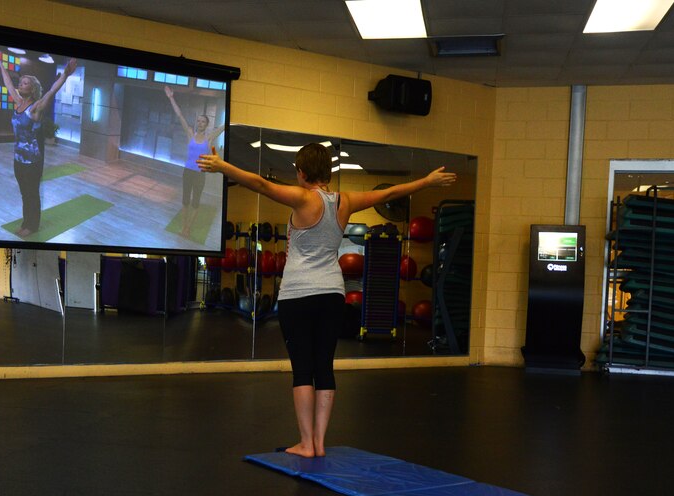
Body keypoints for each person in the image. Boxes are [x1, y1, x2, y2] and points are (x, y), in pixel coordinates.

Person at [197, 143, 456, 457]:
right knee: (324, 367)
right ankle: (319, 443)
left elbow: (261, 185)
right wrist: (427, 181)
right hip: (333, 293)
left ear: (302, 173)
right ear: (328, 172)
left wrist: (222, 167)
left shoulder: (302, 198)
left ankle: (306, 443)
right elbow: (389, 194)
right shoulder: (345, 201)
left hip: (298, 294)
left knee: (302, 369)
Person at [0, 58, 78, 237]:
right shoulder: (19, 102)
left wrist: (65, 75)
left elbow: (52, 91)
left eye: (25, 83)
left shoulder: (36, 108)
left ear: (32, 88)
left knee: (32, 193)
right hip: (18, 158)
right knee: (24, 193)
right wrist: (1, 65)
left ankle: (32, 225)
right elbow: (8, 84)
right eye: (21, 82)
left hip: (32, 161)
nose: (21, 84)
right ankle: (26, 222)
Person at [165, 86, 225, 238]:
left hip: (199, 174)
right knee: (185, 201)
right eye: (198, 120)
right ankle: (184, 227)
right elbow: (179, 115)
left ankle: (188, 228)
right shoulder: (190, 134)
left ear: (206, 124)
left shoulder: (209, 138)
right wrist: (171, 98)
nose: (200, 123)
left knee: (195, 203)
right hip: (188, 172)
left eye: (203, 121)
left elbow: (223, 126)